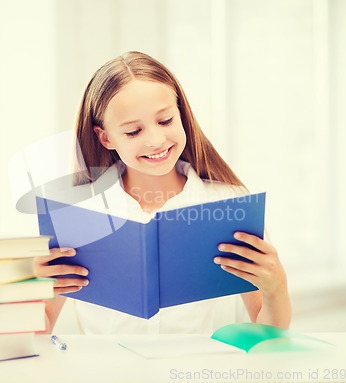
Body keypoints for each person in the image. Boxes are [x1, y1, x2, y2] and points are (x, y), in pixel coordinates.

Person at [34, 51, 291, 334]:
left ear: (181, 114)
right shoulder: (79, 214)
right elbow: (39, 329)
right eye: (133, 132)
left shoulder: (228, 203)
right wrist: (33, 288)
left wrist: (276, 288)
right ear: (105, 137)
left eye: (166, 121)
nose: (156, 141)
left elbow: (269, 334)